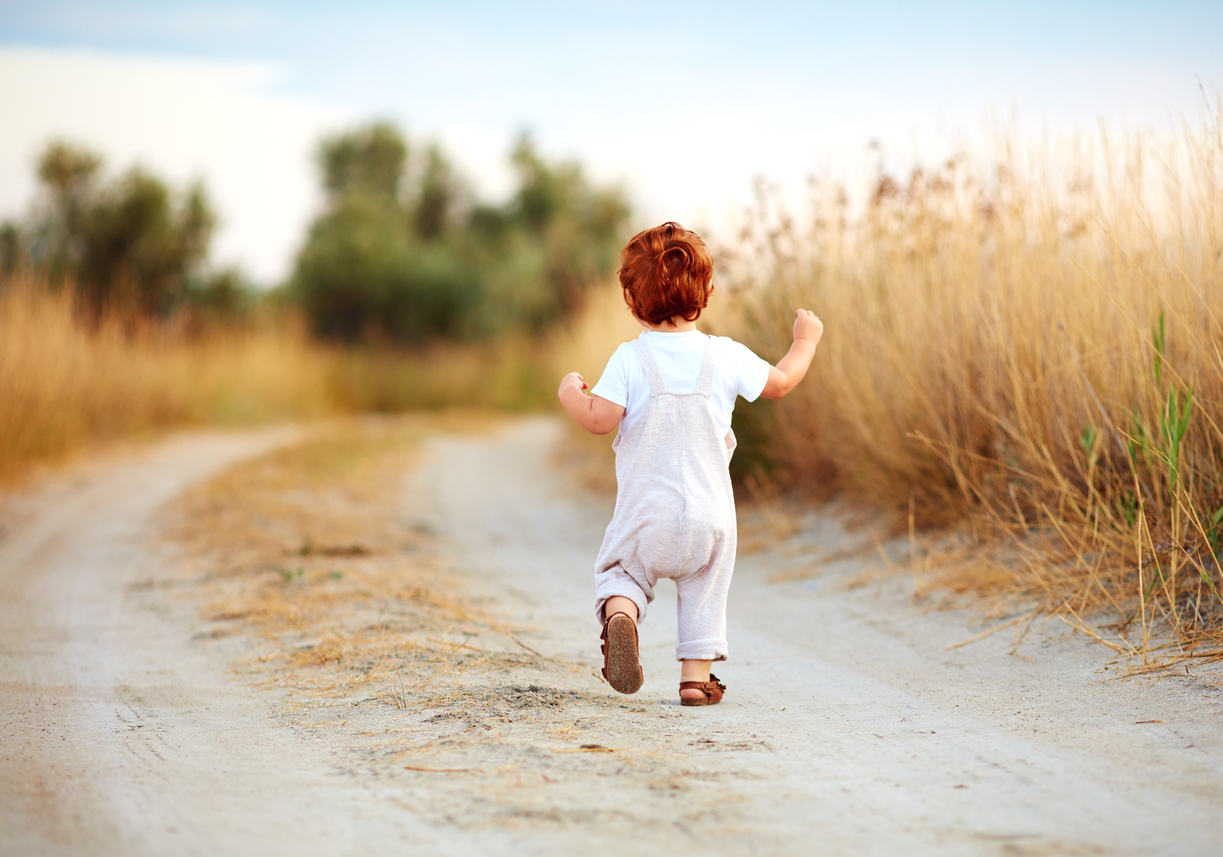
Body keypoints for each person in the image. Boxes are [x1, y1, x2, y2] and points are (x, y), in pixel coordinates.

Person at [557, 222, 823, 706]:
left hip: (646, 514)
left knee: (624, 572)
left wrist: (570, 393)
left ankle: (622, 616)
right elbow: (782, 383)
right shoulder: (724, 355)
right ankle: (695, 680)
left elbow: (599, 420)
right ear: (707, 292)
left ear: (631, 301)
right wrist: (804, 341)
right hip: (709, 517)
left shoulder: (629, 359)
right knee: (705, 586)